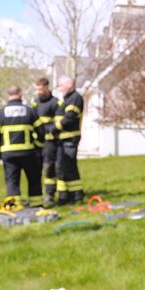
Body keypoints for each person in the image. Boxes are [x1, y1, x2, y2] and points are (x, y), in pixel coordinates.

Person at [0, 85, 44, 207]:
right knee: (34, 180)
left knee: (12, 181)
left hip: (9, 155)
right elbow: (41, 131)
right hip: (28, 153)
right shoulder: (30, 111)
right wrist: (38, 147)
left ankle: (14, 207)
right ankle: (37, 205)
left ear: (8, 95)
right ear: (20, 94)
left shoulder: (1, 113)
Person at [54, 75, 84, 204]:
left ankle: (76, 195)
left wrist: (56, 127)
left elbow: (70, 116)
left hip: (70, 138)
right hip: (63, 139)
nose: (60, 88)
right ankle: (65, 196)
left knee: (69, 166)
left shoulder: (75, 98)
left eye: (61, 85)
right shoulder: (67, 99)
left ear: (69, 85)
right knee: (62, 167)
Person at [32, 77, 59, 207]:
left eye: (41, 89)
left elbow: (59, 122)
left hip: (50, 142)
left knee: (49, 168)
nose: (39, 92)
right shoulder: (35, 103)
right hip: (38, 141)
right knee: (37, 168)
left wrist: (49, 129)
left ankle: (50, 194)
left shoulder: (55, 103)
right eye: (37, 89)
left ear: (47, 87)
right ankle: (37, 195)